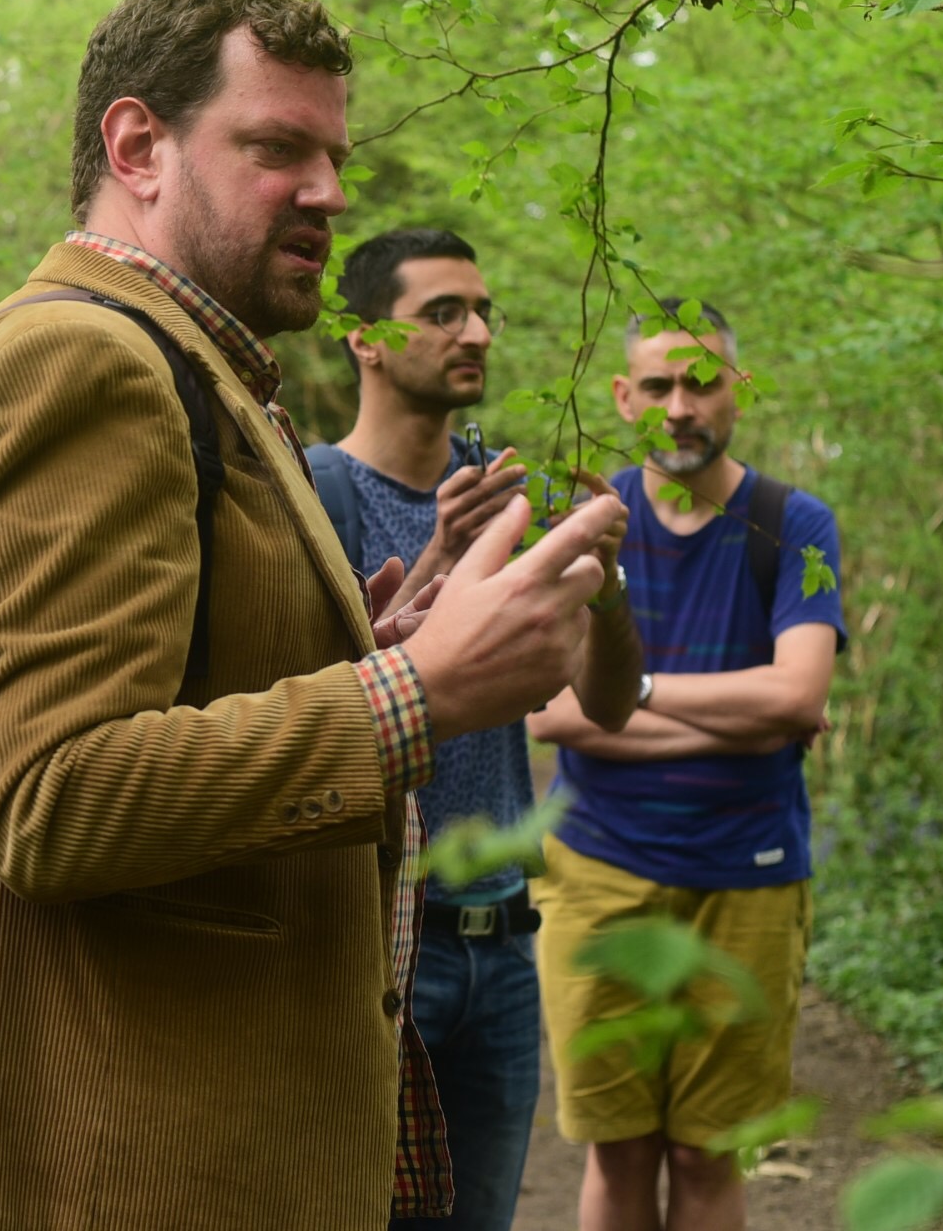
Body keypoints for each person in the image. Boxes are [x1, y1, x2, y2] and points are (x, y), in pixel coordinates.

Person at [0, 0, 626, 1231]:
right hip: (118, 1171)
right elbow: (49, 798)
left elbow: (161, 700)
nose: (329, 192)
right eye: (278, 148)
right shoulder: (86, 360)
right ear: (138, 147)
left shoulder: (196, 368)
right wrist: (414, 693)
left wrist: (373, 648)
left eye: (334, 156)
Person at [312, 228, 644, 1231]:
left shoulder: (510, 492)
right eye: (444, 313)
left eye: (484, 312)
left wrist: (607, 583)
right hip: (374, 945)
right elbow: (314, 702)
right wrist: (441, 554)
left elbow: (607, 703)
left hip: (501, 945)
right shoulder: (316, 493)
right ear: (366, 339)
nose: (478, 333)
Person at [528, 301, 847, 1231]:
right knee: (618, 1150)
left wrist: (630, 695)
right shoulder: (586, 525)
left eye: (701, 383)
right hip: (597, 874)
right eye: (658, 385)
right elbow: (552, 715)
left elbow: (797, 696)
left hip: (747, 878)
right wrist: (746, 723)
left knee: (710, 1154)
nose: (680, 407)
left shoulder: (795, 524)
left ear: (736, 390)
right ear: (624, 397)